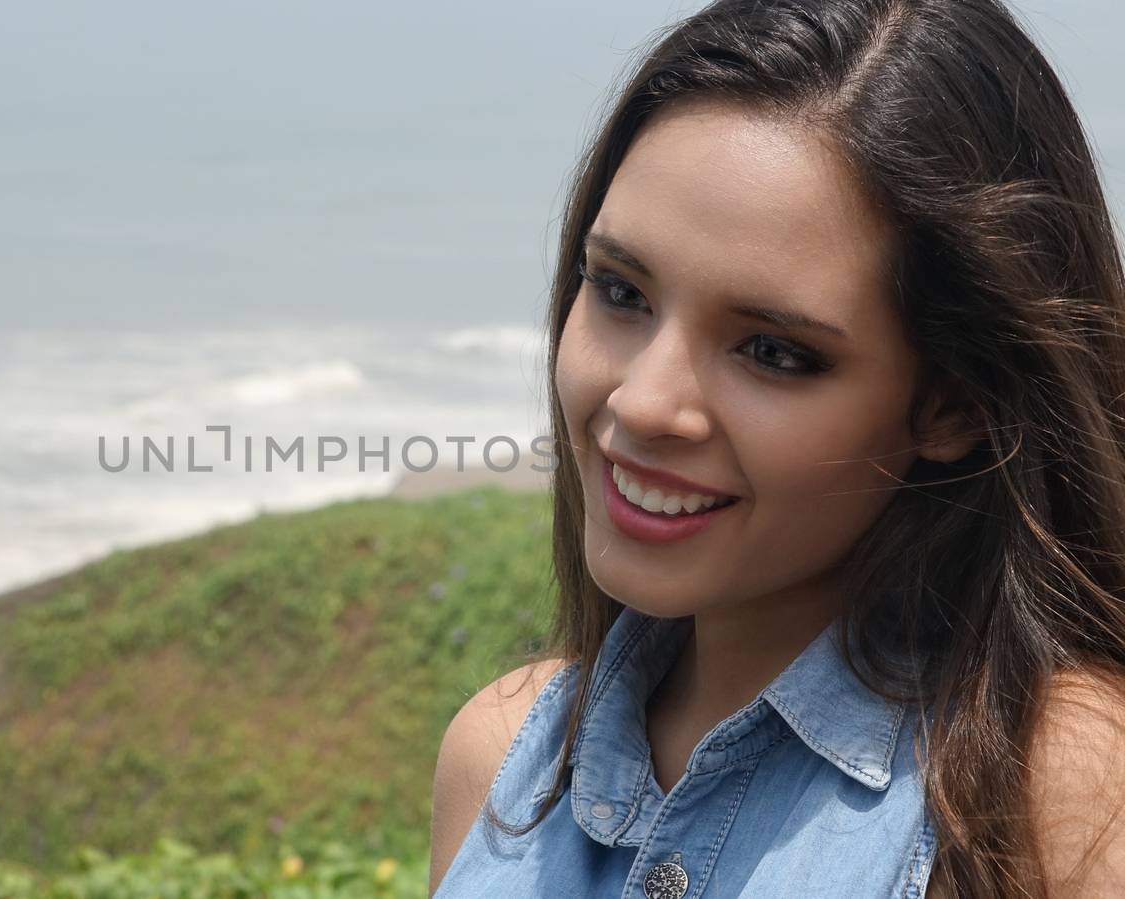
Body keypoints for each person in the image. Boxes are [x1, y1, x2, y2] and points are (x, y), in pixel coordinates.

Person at [428, 0, 1125, 896]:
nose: (644, 402)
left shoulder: (1058, 796)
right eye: (619, 291)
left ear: (954, 405)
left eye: (772, 352)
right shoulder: (501, 759)